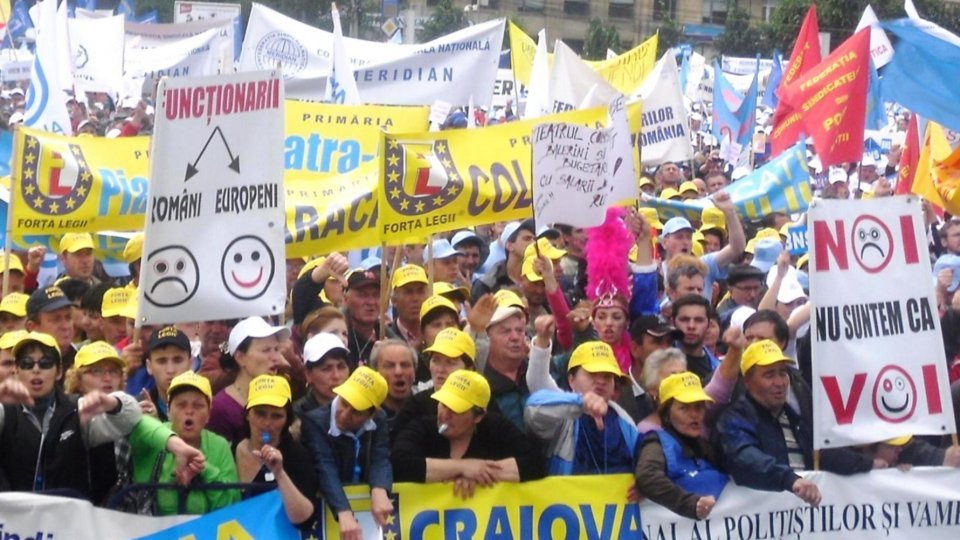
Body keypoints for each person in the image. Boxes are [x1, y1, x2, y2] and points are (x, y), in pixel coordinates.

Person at [716, 340, 870, 506]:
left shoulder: (794, 419)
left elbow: (821, 455)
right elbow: (745, 458)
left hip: (799, 523)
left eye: (783, 373)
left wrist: (870, 463)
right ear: (747, 381)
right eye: (769, 375)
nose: (780, 382)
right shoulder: (734, 419)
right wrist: (790, 480)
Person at [0, 332, 141, 496]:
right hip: (15, 517)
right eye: (27, 364)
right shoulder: (5, 411)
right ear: (16, 371)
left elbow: (132, 416)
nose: (36, 369)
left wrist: (112, 403)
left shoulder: (77, 409)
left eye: (45, 363)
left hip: (68, 516)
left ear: (59, 371)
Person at [391, 370, 544, 498]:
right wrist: (462, 467)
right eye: (443, 404)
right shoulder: (423, 426)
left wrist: (481, 474)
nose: (445, 414)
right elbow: (400, 463)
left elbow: (535, 462)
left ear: (478, 416)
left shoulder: (495, 427)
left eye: (456, 409)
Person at [300, 367, 394, 539]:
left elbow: (380, 456)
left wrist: (380, 488)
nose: (344, 414)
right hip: (329, 507)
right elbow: (324, 465)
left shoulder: (379, 420)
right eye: (344, 402)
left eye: (356, 411)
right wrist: (343, 511)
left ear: (371, 414)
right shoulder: (314, 421)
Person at [132, 371, 239, 515]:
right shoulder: (155, 436)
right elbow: (139, 426)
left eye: (198, 405)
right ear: (169, 411)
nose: (189, 411)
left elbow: (231, 505)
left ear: (208, 414)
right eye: (181, 405)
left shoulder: (220, 445)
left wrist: (203, 468)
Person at [524, 341, 638, 475]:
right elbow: (533, 409)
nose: (601, 381)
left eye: (607, 376)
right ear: (571, 379)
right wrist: (580, 402)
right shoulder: (561, 414)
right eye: (592, 373)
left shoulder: (625, 421)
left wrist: (641, 480)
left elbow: (642, 461)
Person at [634, 372, 728, 520]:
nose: (694, 414)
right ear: (666, 413)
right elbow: (647, 476)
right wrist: (691, 504)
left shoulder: (706, 445)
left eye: (698, 407)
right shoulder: (655, 443)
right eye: (684, 408)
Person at [235, 375, 318, 528]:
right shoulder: (231, 449)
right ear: (247, 414)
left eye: (276, 416)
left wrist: (279, 473)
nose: (267, 423)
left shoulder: (297, 455)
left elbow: (304, 519)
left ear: (287, 420)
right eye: (260, 413)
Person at [208, 316, 290, 445]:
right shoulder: (220, 408)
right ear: (240, 358)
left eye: (276, 349)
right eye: (266, 350)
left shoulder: (282, 394)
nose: (276, 358)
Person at [620, 316, 682, 422]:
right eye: (657, 342)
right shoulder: (617, 394)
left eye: (669, 343)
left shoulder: (682, 390)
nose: (666, 350)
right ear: (635, 349)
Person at [142, 326, 194, 422]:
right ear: (149, 366)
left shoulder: (206, 406)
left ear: (191, 364)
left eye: (178, 360)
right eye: (161, 361)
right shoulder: (139, 408)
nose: (170, 370)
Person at [295, 332, 350, 417]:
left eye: (341, 367)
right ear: (308, 375)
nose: (336, 376)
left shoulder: (362, 409)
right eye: (326, 369)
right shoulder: (297, 414)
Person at [25, 286, 77, 371]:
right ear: (32, 327)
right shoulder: (22, 366)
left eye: (68, 318)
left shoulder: (84, 361)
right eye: (56, 320)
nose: (66, 326)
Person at [670, 294, 719, 382]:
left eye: (699, 320)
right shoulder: (662, 364)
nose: (691, 326)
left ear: (708, 324)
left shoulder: (717, 368)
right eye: (684, 320)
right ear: (673, 322)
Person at [369, 339, 416, 421]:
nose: (398, 372)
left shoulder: (427, 409)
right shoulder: (367, 417)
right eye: (389, 366)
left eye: (405, 365)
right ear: (375, 372)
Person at [387, 264, 429, 349]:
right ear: (394, 300)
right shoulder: (385, 336)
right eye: (408, 292)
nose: (415, 298)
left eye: (420, 291)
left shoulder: (437, 335)